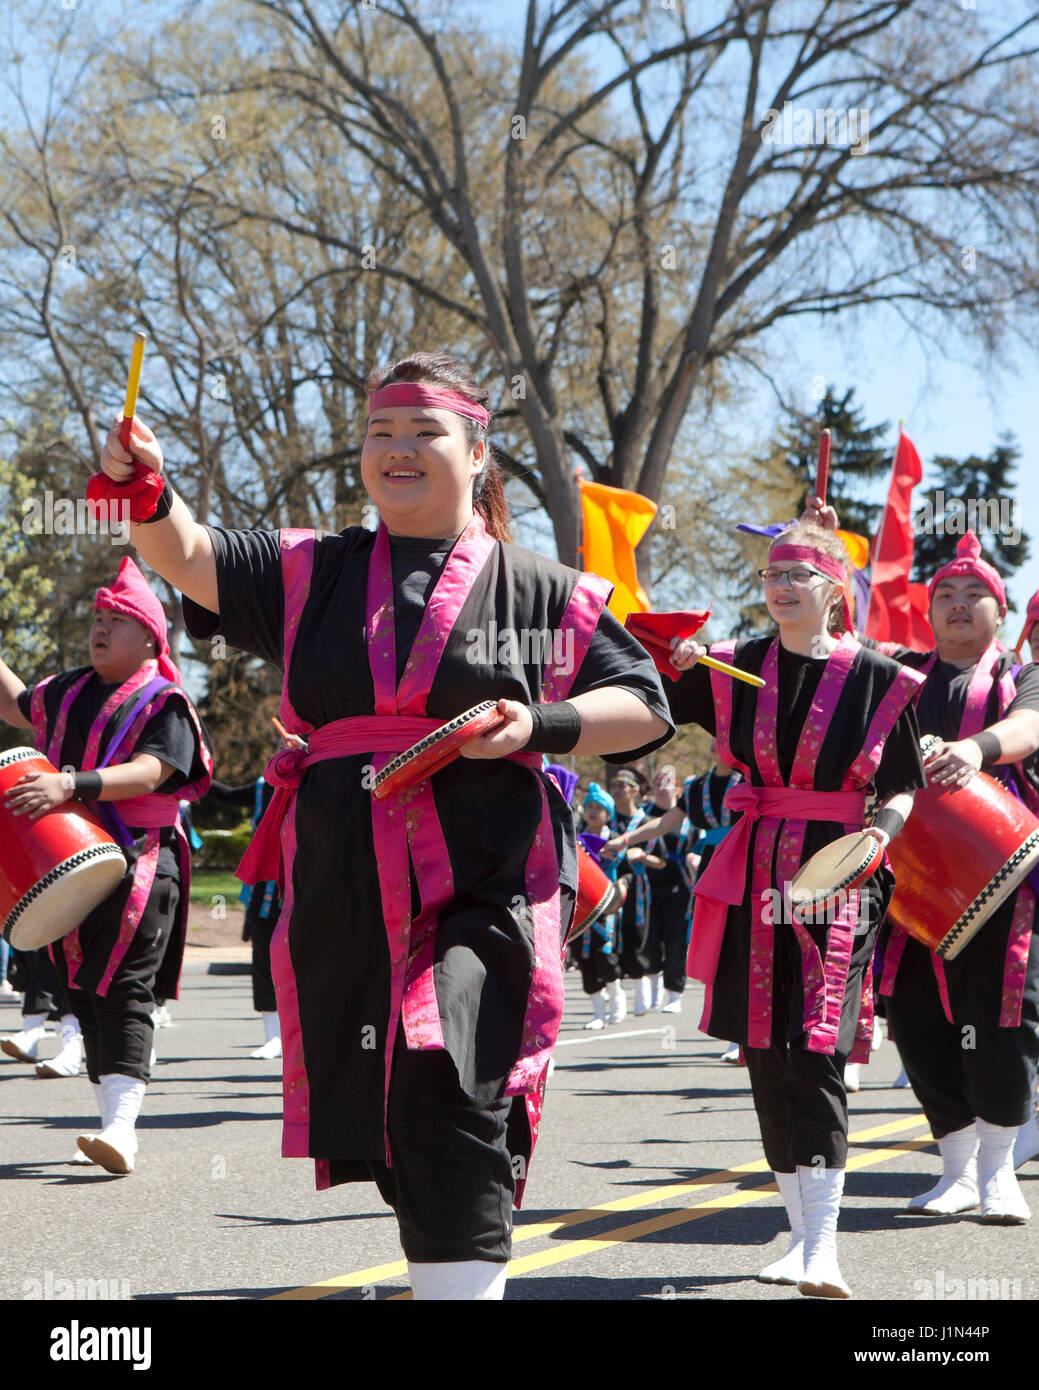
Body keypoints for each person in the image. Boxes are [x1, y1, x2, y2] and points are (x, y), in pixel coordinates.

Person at [92, 350, 673, 1300]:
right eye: (379, 433)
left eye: (425, 433)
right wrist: (146, 490)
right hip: (346, 876)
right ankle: (445, 1269)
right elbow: (187, 560)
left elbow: (643, 704)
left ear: (477, 454)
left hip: (488, 873)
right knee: (392, 1102)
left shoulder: (535, 589)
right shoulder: (307, 570)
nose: (397, 451)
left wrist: (538, 723)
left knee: (452, 1070)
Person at [664, 521, 925, 1298]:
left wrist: (879, 836)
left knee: (814, 1048)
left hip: (839, 873)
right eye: (772, 573)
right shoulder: (737, 666)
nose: (780, 585)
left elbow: (903, 782)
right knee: (764, 1053)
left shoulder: (880, 677)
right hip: (754, 866)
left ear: (833, 590)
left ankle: (822, 1247)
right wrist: (674, 661)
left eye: (799, 574)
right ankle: (796, 1234)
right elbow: (659, 705)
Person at [833, 527, 1039, 1224]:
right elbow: (830, 645)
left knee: (999, 1025)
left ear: (998, 611)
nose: (957, 604)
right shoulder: (900, 678)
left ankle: (997, 1172)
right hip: (912, 883)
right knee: (917, 1024)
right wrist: (825, 555)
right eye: (944, 594)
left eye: (973, 593)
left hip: (1000, 884)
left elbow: (1030, 727)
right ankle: (954, 1168)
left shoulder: (1020, 676)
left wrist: (976, 750)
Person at [0, 558, 213, 1173]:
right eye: (95, 618)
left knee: (122, 985)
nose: (98, 628)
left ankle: (123, 1130)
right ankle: (110, 1124)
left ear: (149, 636)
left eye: (114, 620)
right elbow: (18, 703)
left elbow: (155, 771)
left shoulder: (164, 699)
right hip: (73, 857)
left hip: (145, 859)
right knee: (83, 989)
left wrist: (74, 783)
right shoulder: (67, 690)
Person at [575, 782, 624, 1028]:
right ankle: (598, 1013)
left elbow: (627, 872)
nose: (593, 811)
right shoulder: (574, 838)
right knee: (582, 955)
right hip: (581, 905)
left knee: (604, 953)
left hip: (606, 904)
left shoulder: (615, 840)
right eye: (589, 806)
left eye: (599, 807)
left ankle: (616, 996)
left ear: (608, 813)